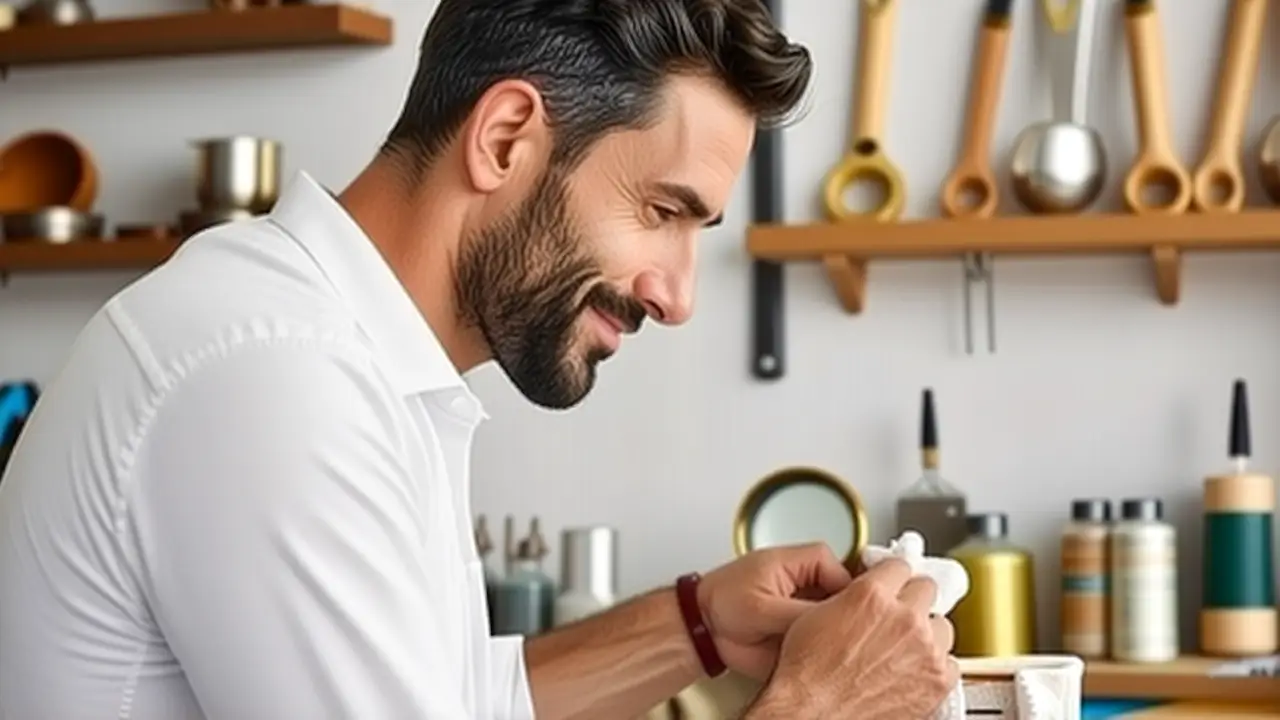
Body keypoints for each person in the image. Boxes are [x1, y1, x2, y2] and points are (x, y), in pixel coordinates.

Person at [0, 1, 958, 718]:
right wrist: (822, 703)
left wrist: (698, 624)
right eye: (664, 213)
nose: (677, 294)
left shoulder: (358, 360)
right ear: (506, 139)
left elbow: (448, 700)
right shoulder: (276, 379)